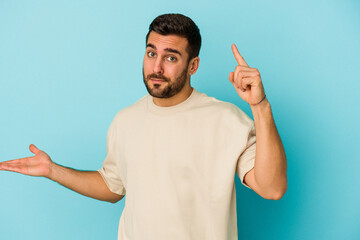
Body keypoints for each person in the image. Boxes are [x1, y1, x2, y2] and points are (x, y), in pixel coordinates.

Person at [0, 13, 287, 240]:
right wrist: (53, 170)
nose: (157, 67)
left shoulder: (227, 119)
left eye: (171, 57)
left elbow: (272, 188)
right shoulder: (125, 120)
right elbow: (113, 186)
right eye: (152, 53)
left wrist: (260, 106)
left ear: (193, 65)